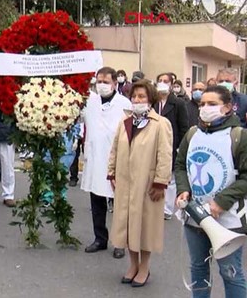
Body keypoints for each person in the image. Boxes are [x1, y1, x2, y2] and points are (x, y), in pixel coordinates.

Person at [175, 85, 247, 298]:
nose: (205, 108)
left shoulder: (239, 136)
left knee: (231, 273)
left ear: (227, 107)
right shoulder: (192, 134)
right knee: (198, 268)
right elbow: (180, 166)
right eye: (202, 104)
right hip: (195, 216)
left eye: (212, 104)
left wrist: (221, 202)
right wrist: (183, 190)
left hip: (228, 218)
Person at [108, 80, 173, 288]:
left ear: (150, 99)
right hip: (125, 183)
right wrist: (111, 173)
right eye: (134, 96)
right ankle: (132, 264)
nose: (137, 100)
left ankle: (144, 267)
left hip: (148, 184)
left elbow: (165, 155)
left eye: (142, 96)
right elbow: (115, 149)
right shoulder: (125, 122)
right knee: (127, 226)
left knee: (145, 228)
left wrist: (160, 183)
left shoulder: (160, 124)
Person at [81, 66, 131, 259]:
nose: (102, 85)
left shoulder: (124, 104)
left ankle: (120, 242)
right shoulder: (89, 102)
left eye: (106, 82)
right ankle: (100, 238)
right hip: (95, 157)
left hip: (116, 159)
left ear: (114, 83)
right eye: (99, 81)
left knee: (119, 203)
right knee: (97, 201)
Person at [155, 72, 189, 220]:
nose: (162, 83)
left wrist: (181, 147)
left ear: (171, 84)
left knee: (170, 177)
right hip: (154, 143)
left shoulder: (178, 103)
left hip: (171, 144)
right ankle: (155, 205)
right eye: (160, 80)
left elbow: (183, 126)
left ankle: (167, 209)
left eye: (165, 81)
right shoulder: (153, 102)